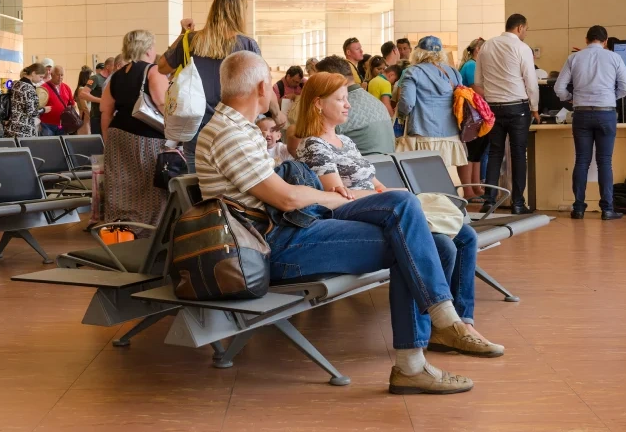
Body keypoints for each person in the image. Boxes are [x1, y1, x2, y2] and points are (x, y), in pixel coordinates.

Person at [197, 51, 503, 396]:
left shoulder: (239, 129)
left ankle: (430, 341)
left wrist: (321, 196)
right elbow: (287, 199)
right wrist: (335, 197)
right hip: (272, 245)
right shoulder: (230, 134)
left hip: (285, 231)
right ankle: (438, 331)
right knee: (414, 232)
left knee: (418, 228)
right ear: (263, 86)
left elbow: (288, 196)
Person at [295, 71, 502, 351]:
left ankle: (463, 322)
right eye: (341, 99)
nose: (348, 104)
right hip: (352, 216)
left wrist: (389, 192)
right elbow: (336, 195)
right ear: (318, 104)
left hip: (378, 208)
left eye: (347, 98)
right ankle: (439, 326)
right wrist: (392, 196)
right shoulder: (313, 145)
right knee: (442, 245)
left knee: (463, 236)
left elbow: (375, 184)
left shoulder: (347, 143)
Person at [158, 0, 284, 171]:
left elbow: (162, 67)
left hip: (196, 126)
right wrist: (277, 113)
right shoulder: (247, 45)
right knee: (233, 182)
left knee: (198, 182)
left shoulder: (191, 40)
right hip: (234, 126)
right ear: (240, 12)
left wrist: (182, 35)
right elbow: (262, 83)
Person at [555, 25, 626, 221]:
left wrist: (571, 98)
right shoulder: (614, 57)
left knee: (581, 160)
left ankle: (578, 208)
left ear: (587, 40)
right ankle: (607, 209)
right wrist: (610, 97)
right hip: (606, 113)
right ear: (605, 41)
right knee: (605, 161)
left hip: (581, 114)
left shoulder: (574, 58)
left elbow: (559, 87)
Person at [100, 30, 168, 234]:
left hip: (117, 136)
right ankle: (147, 233)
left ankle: (120, 233)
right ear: (148, 49)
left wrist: (107, 139)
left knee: (120, 188)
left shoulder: (116, 76)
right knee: (149, 188)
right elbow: (163, 103)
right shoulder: (153, 71)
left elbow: (105, 110)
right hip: (146, 138)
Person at [473, 14, 539, 215]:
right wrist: (535, 108)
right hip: (517, 108)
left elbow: (478, 82)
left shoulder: (487, 46)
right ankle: (518, 203)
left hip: (493, 108)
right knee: (519, 154)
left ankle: (489, 201)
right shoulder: (521, 48)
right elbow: (531, 81)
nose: (525, 33)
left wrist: (494, 96)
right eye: (526, 29)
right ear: (519, 28)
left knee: (495, 153)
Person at [286, 55, 394, 157]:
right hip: (389, 168)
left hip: (356, 171)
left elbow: (301, 149)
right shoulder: (376, 102)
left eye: (318, 80)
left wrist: (291, 130)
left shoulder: (335, 108)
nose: (347, 105)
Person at [397, 36, 468, 168]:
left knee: (423, 178)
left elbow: (407, 103)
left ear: (418, 52)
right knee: (445, 177)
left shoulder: (413, 72)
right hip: (450, 135)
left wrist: (400, 114)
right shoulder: (453, 72)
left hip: (423, 134)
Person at [458, 38, 488, 199]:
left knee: (478, 152)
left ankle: (476, 186)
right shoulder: (471, 65)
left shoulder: (477, 65)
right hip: (472, 114)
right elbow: (475, 88)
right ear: (478, 49)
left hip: (479, 113)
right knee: (471, 151)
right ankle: (468, 190)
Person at [5, 63, 51, 138]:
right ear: (33, 73)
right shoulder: (29, 89)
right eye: (40, 77)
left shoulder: (14, 84)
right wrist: (43, 110)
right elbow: (31, 112)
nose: (41, 80)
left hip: (10, 127)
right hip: (24, 129)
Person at [40, 65, 75, 136]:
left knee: (63, 145)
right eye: (58, 75)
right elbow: (38, 105)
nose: (60, 77)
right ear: (52, 74)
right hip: (47, 124)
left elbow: (72, 104)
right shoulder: (43, 88)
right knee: (48, 145)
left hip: (63, 124)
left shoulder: (66, 87)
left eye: (62, 75)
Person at [73, 68, 93, 135]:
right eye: (91, 77)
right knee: (86, 137)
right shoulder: (81, 89)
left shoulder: (83, 89)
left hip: (86, 116)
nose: (93, 79)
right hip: (85, 117)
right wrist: (91, 118)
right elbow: (84, 107)